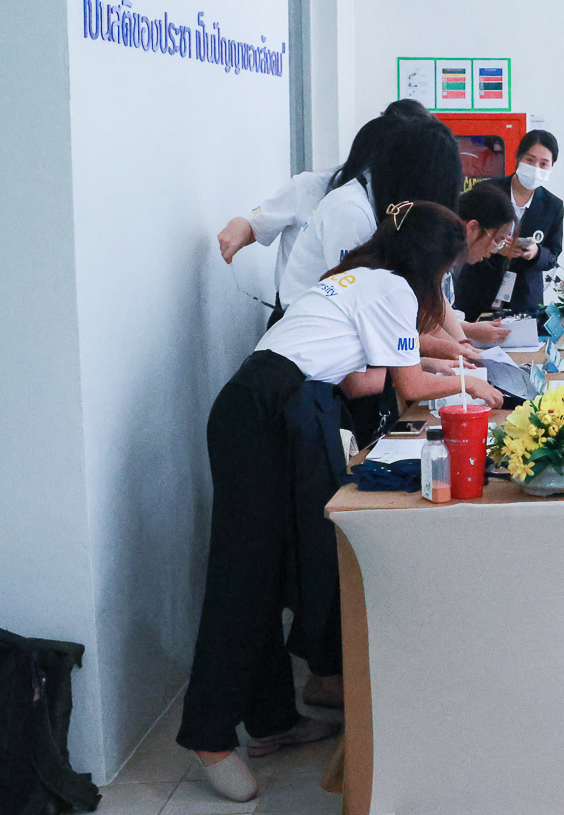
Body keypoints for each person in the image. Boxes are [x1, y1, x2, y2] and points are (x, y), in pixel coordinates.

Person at [178, 201, 502, 803]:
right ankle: (208, 735)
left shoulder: (356, 277)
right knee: (243, 574)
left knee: (274, 565)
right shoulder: (394, 290)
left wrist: (432, 358)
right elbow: (400, 384)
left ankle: (272, 720)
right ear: (431, 264)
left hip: (258, 403)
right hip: (269, 410)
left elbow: (360, 379)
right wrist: (469, 381)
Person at [217, 102, 434, 317]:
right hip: (299, 315)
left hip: (346, 316)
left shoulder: (397, 200)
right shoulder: (316, 188)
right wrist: (239, 227)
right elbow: (254, 223)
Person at [453, 130, 564, 320]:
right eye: (530, 160)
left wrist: (535, 253)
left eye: (543, 164)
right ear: (518, 157)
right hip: (479, 287)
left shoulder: (553, 205)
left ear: (552, 166)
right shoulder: (488, 190)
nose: (536, 168)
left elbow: (553, 255)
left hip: (524, 296)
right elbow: (466, 234)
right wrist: (496, 246)